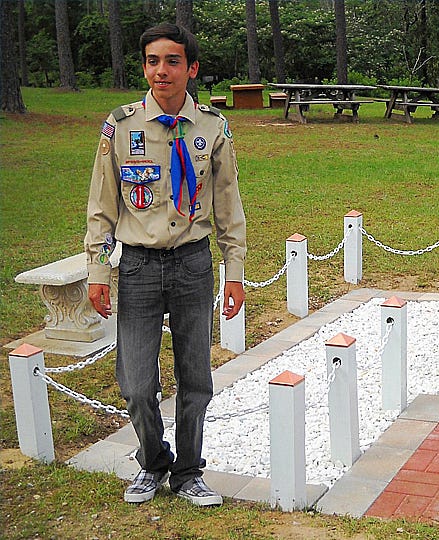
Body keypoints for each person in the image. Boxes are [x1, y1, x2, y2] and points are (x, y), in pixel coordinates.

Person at [85, 22, 246, 507]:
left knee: (195, 377)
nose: (161, 71)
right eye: (153, 61)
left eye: (173, 61)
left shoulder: (213, 129)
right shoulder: (121, 126)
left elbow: (228, 207)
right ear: (144, 67)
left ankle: (189, 472)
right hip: (137, 266)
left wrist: (233, 270)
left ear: (191, 69)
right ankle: (153, 462)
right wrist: (97, 270)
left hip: (193, 263)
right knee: (136, 383)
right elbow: (101, 206)